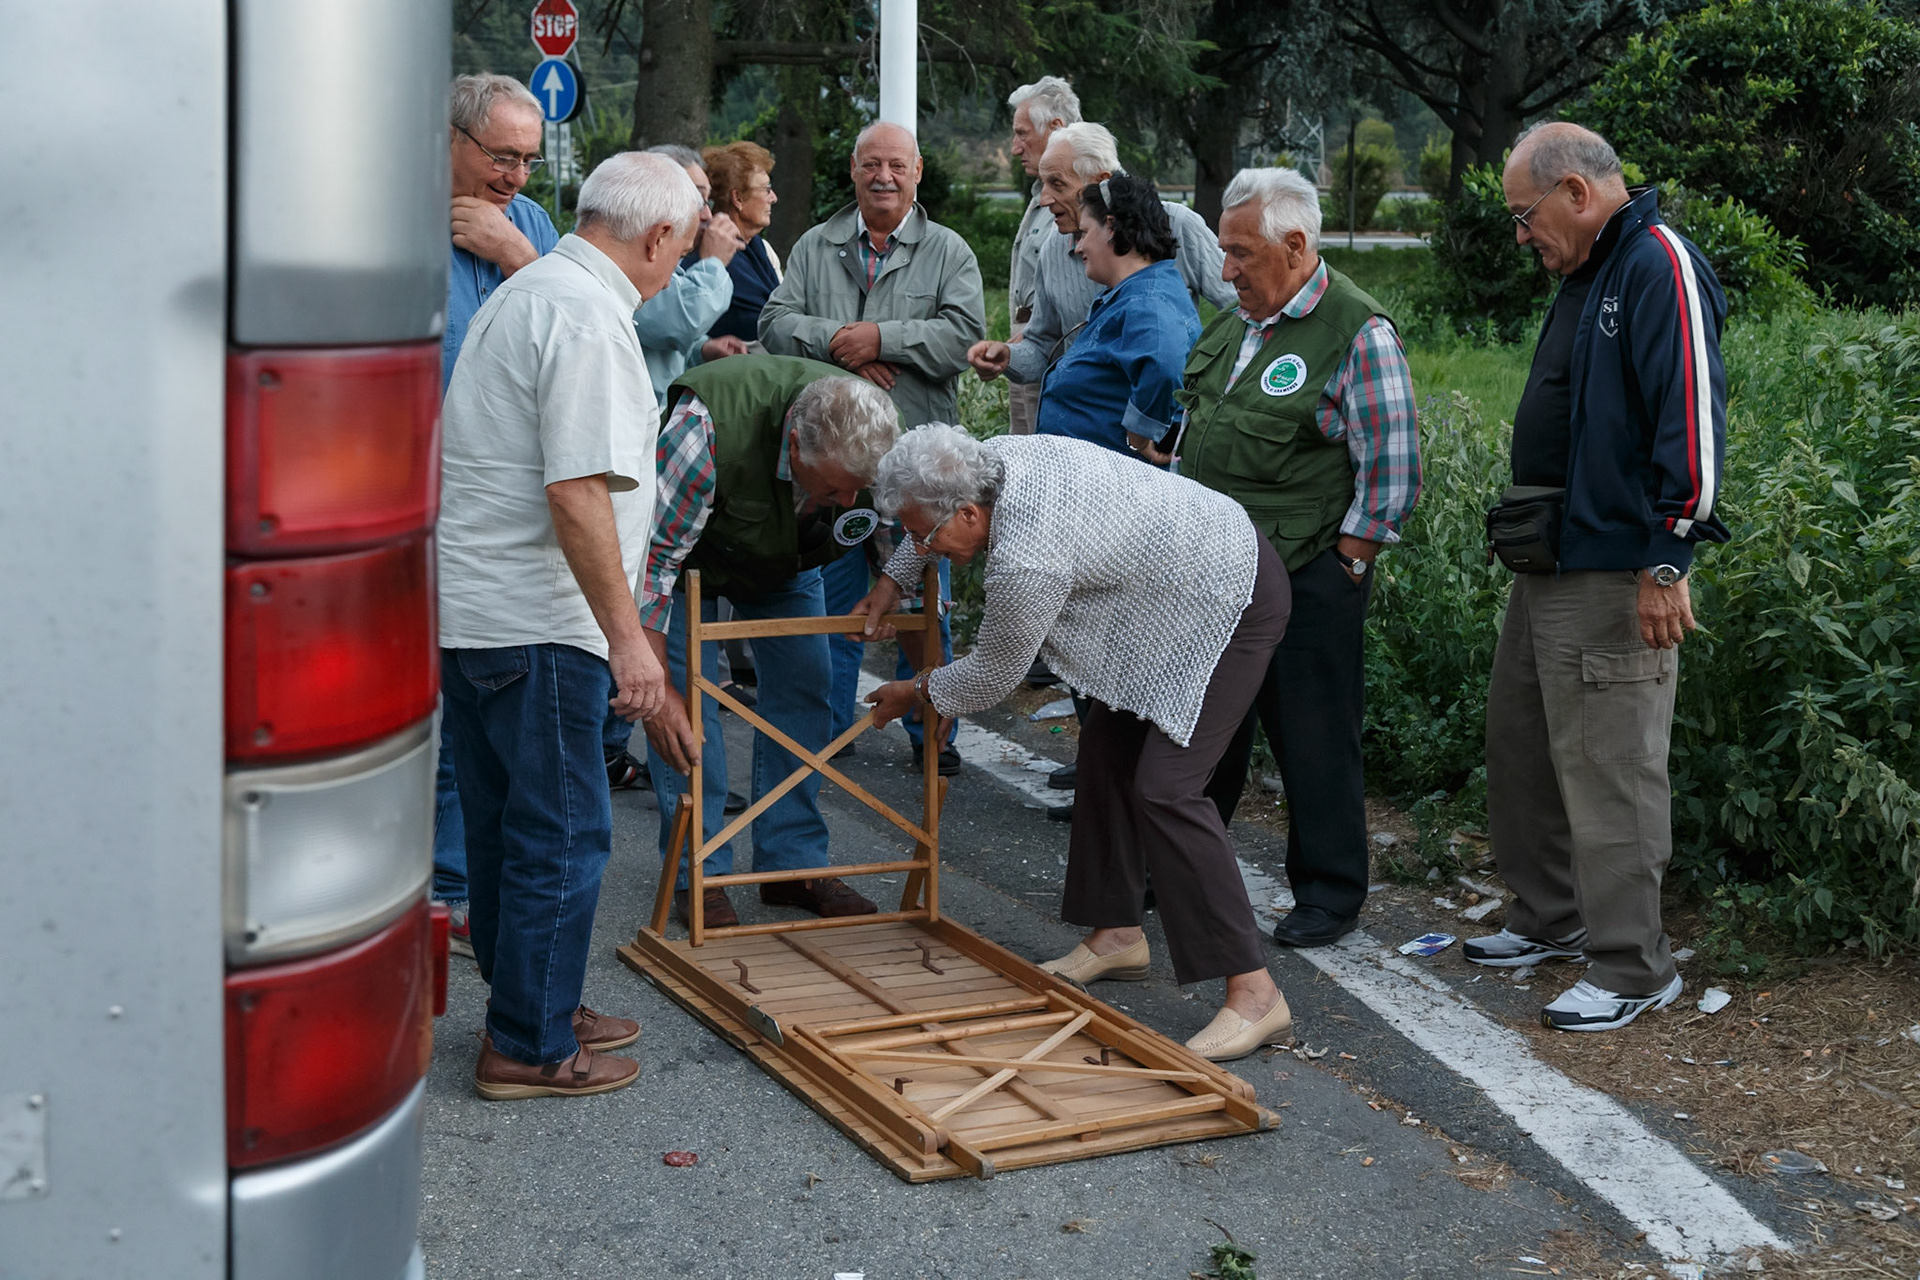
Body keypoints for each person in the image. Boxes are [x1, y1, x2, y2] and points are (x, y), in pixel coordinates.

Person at [853, 427, 1295, 1062]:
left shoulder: (1025, 558)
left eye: (927, 538)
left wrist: (918, 690)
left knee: (1167, 789)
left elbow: (994, 673)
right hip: (1157, 595)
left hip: (1229, 595)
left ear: (970, 514)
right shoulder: (984, 461)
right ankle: (1119, 937)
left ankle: (1257, 995)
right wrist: (895, 577)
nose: (926, 549)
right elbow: (930, 518)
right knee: (1107, 755)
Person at [438, 150, 702, 1099]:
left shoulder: (535, 289)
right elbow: (578, 492)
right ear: (658, 236)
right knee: (562, 833)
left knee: (507, 828)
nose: (679, 265)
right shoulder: (585, 315)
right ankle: (529, 1043)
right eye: (683, 248)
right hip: (542, 620)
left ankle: (531, 1003)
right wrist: (630, 642)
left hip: (484, 612)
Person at [1468, 122, 1728, 1032]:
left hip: (1619, 565)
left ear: (1575, 192)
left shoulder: (1656, 263)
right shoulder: (1592, 267)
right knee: (1524, 744)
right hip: (1552, 557)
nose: (1521, 235)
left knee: (1613, 766)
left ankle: (1632, 966)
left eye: (1524, 215)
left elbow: (1691, 418)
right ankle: (1551, 916)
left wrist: (1668, 555)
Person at [1177, 167, 1422, 950]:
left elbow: (1393, 469)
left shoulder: (1356, 330)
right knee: (1201, 731)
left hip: (1305, 572)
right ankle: (1180, 866)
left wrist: (1347, 563)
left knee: (1313, 737)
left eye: (1241, 253)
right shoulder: (1238, 322)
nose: (1226, 270)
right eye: (1224, 251)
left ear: (1294, 243)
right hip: (1213, 570)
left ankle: (1328, 893)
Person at [637, 357, 902, 928]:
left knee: (808, 688)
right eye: (835, 487)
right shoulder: (702, 430)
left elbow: (891, 519)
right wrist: (653, 685)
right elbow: (654, 564)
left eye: (858, 488)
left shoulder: (871, 435)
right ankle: (698, 872)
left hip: (785, 561)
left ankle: (792, 864)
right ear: (797, 447)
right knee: (687, 709)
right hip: (687, 565)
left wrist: (890, 582)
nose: (847, 501)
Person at [760, 121, 986, 775]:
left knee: (921, 604)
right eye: (871, 165)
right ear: (854, 170)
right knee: (831, 598)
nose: (883, 177)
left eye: (896, 165)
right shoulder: (815, 244)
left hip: (917, 466)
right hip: (834, 465)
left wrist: (884, 339)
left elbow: (964, 340)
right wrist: (843, 342)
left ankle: (932, 729)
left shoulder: (948, 250)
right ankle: (833, 732)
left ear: (917, 172)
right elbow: (773, 324)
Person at [437, 72, 561, 958]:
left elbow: (579, 337)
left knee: (483, 710)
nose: (515, 176)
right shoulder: (390, 224)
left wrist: (516, 254)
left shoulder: (536, 230)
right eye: (501, 156)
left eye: (528, 160)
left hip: (512, 514)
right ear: (451, 141)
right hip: (421, 503)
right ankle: (439, 885)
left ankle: (466, 887)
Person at [967, 123, 1235, 397]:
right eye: (1043, 184)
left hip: (1158, 417)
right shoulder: (1053, 247)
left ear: (1101, 182)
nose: (1044, 200)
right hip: (1086, 418)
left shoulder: (1177, 225)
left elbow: (1243, 309)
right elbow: (1042, 347)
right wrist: (1008, 357)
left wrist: (1208, 382)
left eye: (1057, 184)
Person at [1032, 175, 1199, 455]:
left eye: (1084, 233)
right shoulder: (1137, 294)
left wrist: (1140, 437)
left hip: (1112, 475)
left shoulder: (1147, 302)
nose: (1078, 247)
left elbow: (1164, 364)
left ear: (1110, 227)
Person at [630, 143, 749, 407]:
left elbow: (657, 339)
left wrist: (701, 349)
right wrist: (714, 262)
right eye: (697, 200)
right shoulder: (630, 250)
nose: (708, 214)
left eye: (708, 201)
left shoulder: (661, 249)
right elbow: (680, 319)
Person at [1003, 76, 1081, 434]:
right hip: (1029, 350)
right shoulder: (1040, 192)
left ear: (1056, 127)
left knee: (1049, 449)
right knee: (1024, 444)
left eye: (1022, 134)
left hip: (1056, 354)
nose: (1015, 148)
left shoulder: (1091, 198)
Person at [704, 140, 783, 345]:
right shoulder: (708, 254)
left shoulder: (762, 249)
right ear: (738, 198)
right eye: (766, 189)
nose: (773, 198)